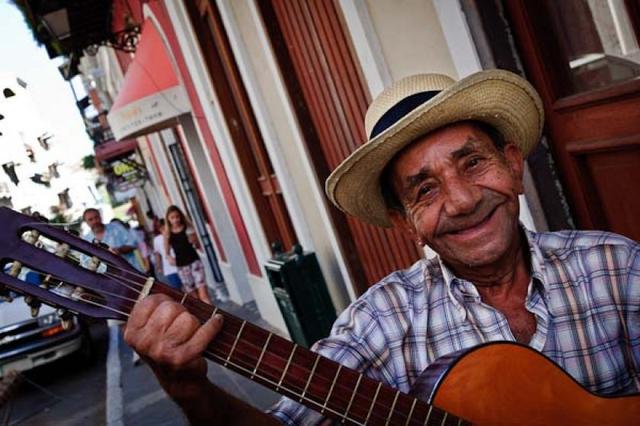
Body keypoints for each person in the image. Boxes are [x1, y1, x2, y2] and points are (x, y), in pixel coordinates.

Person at [123, 70, 639, 424]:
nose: (460, 201)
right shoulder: (380, 322)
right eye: (425, 189)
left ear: (513, 166)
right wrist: (192, 393)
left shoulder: (615, 266)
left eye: (473, 163)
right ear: (404, 220)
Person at [164, 205, 211, 304]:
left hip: (195, 262)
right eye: (172, 218)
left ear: (180, 217)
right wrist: (169, 258)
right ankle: (204, 316)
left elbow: (198, 246)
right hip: (181, 266)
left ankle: (215, 316)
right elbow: (166, 252)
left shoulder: (188, 228)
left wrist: (195, 241)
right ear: (168, 219)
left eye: (177, 217)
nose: (175, 220)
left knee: (203, 294)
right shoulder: (168, 233)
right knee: (194, 297)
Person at [152, 218, 182, 291]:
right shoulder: (157, 240)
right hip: (169, 269)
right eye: (161, 227)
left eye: (164, 226)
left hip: (181, 266)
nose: (163, 229)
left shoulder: (175, 234)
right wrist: (159, 266)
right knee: (178, 291)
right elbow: (157, 254)